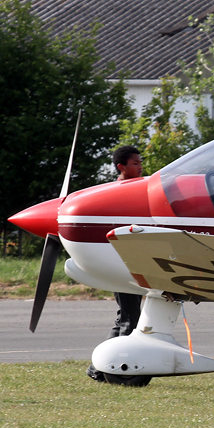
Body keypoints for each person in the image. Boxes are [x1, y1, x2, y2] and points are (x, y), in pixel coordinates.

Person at [87, 145, 144, 382]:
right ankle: (115, 370)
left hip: (136, 261)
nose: (140, 167)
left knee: (125, 317)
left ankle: (97, 369)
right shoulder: (116, 193)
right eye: (135, 164)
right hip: (123, 263)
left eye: (140, 163)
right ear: (121, 167)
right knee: (131, 319)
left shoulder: (139, 189)